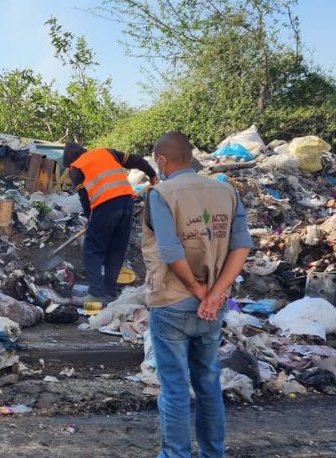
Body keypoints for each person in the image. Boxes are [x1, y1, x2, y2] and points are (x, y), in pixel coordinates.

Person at [141, 131, 252, 458]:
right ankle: (211, 454)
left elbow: (169, 249)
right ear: (190, 158)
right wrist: (215, 295)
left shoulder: (160, 194)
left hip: (172, 304)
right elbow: (241, 245)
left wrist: (199, 290)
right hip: (211, 310)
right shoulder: (226, 191)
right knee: (208, 385)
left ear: (161, 161)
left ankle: (175, 455)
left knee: (175, 390)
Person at [63, 143, 157, 304]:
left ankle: (96, 293)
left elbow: (85, 198)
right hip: (127, 203)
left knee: (92, 250)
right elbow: (137, 160)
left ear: (69, 161)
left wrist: (90, 219)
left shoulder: (76, 168)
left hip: (105, 206)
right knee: (116, 249)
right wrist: (152, 175)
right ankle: (110, 292)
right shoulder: (106, 152)